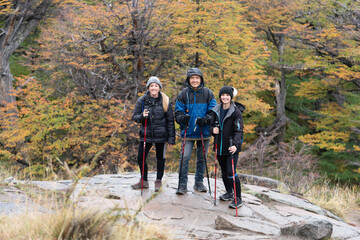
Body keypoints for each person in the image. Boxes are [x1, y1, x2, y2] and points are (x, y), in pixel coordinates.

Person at [174, 68, 217, 194]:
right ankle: (182, 184)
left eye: (197, 78)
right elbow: (177, 113)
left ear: (201, 79)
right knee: (185, 157)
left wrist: (206, 120)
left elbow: (213, 111)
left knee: (202, 158)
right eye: (192, 78)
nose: (195, 80)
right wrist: (183, 118)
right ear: (188, 79)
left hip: (204, 132)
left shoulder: (208, 93)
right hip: (188, 132)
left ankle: (199, 183)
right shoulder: (183, 94)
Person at [132, 76, 175, 192]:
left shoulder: (165, 100)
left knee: (160, 158)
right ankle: (144, 180)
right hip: (146, 134)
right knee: (141, 158)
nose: (154, 88)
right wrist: (142, 116)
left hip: (161, 135)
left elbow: (170, 120)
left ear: (159, 87)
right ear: (148, 88)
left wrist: (171, 139)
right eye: (152, 86)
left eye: (156, 86)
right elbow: (135, 117)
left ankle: (158, 180)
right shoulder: (142, 100)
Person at [210, 86, 245, 209]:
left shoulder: (236, 112)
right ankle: (229, 192)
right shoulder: (216, 110)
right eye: (222, 95)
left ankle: (238, 198)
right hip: (219, 146)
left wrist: (236, 144)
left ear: (231, 97)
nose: (225, 97)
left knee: (231, 171)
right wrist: (212, 130)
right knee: (224, 171)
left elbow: (239, 131)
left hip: (231, 147)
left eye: (227, 95)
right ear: (220, 96)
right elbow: (211, 126)